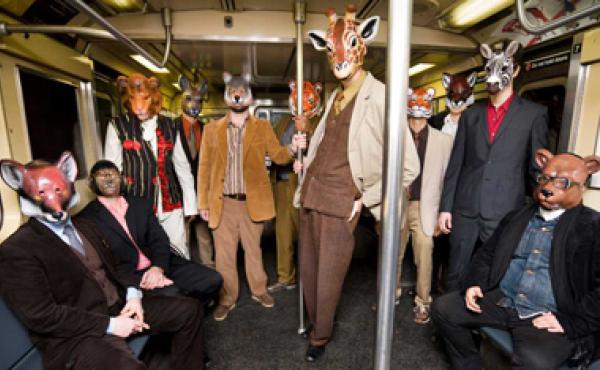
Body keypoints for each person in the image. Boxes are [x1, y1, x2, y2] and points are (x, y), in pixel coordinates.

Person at [0, 152, 204, 370]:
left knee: (189, 311)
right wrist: (111, 325)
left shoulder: (86, 226)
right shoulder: (16, 250)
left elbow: (116, 267)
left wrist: (133, 296)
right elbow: (42, 316)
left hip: (119, 307)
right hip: (78, 337)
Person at [297, 5, 420, 362]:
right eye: (332, 49)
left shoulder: (381, 95)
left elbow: (407, 166)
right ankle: (316, 325)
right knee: (309, 273)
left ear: (361, 46)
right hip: (310, 196)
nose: (339, 58)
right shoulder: (335, 97)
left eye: (346, 45)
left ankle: (320, 338)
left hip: (341, 202)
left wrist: (364, 198)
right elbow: (324, 144)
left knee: (328, 280)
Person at [432, 149, 600, 370]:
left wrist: (571, 323)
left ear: (582, 186)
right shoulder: (518, 215)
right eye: (546, 179)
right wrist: (476, 282)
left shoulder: (592, 226)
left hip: (548, 313)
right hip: (503, 300)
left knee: (535, 361)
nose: (549, 188)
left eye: (563, 183)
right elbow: (488, 254)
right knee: (443, 309)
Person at [438, 40, 549, 291]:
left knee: (494, 274)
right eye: (489, 69)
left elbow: (535, 169)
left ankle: (481, 328)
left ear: (516, 71)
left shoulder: (534, 114)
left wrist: (537, 211)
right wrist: (446, 208)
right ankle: (448, 327)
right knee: (455, 273)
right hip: (466, 209)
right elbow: (456, 164)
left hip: (504, 211)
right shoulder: (470, 115)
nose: (494, 76)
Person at [197, 72, 306, 321]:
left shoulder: (263, 127)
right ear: (226, 97)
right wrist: (203, 203)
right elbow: (204, 168)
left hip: (251, 203)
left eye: (242, 91)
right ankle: (227, 298)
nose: (237, 96)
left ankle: (259, 291)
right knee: (224, 256)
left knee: (253, 251)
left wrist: (293, 147)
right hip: (222, 203)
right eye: (233, 92)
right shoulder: (212, 130)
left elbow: (279, 156)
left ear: (250, 97)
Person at [79, 160, 223, 305]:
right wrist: (134, 283)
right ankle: (184, 308)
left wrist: (158, 268)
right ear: (92, 182)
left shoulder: (140, 204)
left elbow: (159, 239)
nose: (109, 179)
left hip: (159, 263)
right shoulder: (87, 218)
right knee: (173, 294)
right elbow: (104, 263)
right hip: (132, 276)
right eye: (102, 176)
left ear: (122, 179)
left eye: (113, 175)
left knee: (213, 279)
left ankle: (189, 308)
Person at [104, 74, 197, 259]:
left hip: (171, 203)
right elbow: (111, 171)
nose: (139, 106)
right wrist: (113, 207)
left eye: (145, 98)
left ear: (153, 97)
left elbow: (182, 167)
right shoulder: (117, 126)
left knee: (178, 251)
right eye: (133, 98)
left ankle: (183, 286)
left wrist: (190, 205)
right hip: (137, 203)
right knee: (145, 255)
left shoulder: (171, 125)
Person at [396, 87, 453, 324]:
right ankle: (391, 295)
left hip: (425, 207)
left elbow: (448, 180)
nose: (419, 108)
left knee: (425, 254)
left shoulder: (444, 141)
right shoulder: (395, 136)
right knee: (392, 255)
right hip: (397, 204)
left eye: (424, 102)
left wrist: (443, 213)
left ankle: (423, 302)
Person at [268, 80, 322, 293]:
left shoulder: (319, 123)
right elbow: (274, 152)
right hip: (283, 185)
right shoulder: (281, 123)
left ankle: (313, 279)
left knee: (309, 236)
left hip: (307, 186)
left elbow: (323, 152)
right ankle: (285, 277)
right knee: (283, 235)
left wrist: (308, 135)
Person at [174, 75, 216, 268]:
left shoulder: (206, 129)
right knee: (181, 235)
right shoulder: (170, 127)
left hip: (201, 192)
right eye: (189, 99)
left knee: (204, 235)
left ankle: (209, 268)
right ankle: (184, 270)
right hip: (178, 190)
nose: (194, 104)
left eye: (199, 101)